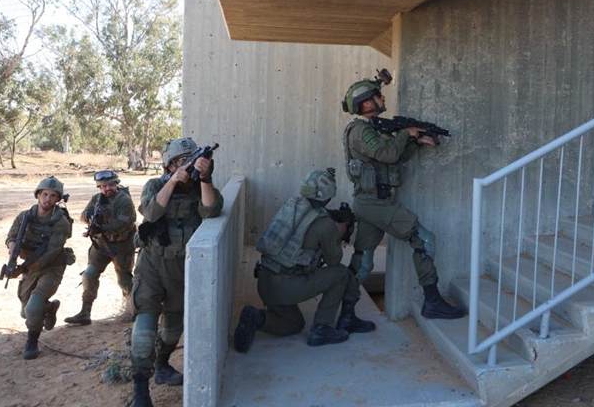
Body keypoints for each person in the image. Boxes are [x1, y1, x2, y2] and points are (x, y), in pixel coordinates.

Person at [341, 75, 465, 320]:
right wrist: (405, 133)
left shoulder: (371, 130)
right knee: (425, 240)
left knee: (363, 261)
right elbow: (386, 154)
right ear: (365, 103)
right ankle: (432, 301)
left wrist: (416, 141)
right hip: (376, 203)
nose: (383, 97)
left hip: (370, 203)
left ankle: (345, 316)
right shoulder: (360, 130)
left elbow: (395, 158)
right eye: (377, 95)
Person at [233, 168, 375, 354]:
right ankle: (322, 329)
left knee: (294, 324)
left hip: (265, 282)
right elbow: (334, 260)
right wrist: (337, 234)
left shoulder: (292, 206)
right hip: (287, 287)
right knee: (341, 274)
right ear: (328, 195)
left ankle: (257, 318)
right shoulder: (325, 225)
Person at [129, 138, 223, 407]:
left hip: (182, 271)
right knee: (145, 329)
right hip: (151, 266)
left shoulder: (202, 188)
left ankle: (162, 365)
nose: (187, 165)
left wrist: (206, 177)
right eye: (181, 161)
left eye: (190, 160)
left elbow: (212, 211)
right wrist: (172, 181)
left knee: (172, 330)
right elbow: (150, 211)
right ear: (169, 165)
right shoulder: (156, 185)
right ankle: (140, 390)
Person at [4, 176, 74, 359]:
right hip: (29, 267)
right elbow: (11, 238)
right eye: (44, 194)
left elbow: (51, 253)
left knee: (33, 309)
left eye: (52, 196)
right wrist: (12, 257)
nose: (47, 199)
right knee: (25, 312)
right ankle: (49, 307)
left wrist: (21, 269)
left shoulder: (61, 222)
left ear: (57, 199)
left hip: (52, 267)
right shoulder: (25, 216)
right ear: (37, 195)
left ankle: (32, 342)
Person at [65, 170, 136, 326]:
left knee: (124, 279)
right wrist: (89, 216)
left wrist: (101, 228)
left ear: (116, 184)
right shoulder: (97, 199)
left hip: (121, 245)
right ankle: (85, 312)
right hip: (101, 244)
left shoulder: (124, 200)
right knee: (89, 275)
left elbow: (122, 224)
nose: (107, 189)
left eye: (110, 185)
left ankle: (133, 309)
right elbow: (83, 215)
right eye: (103, 186)